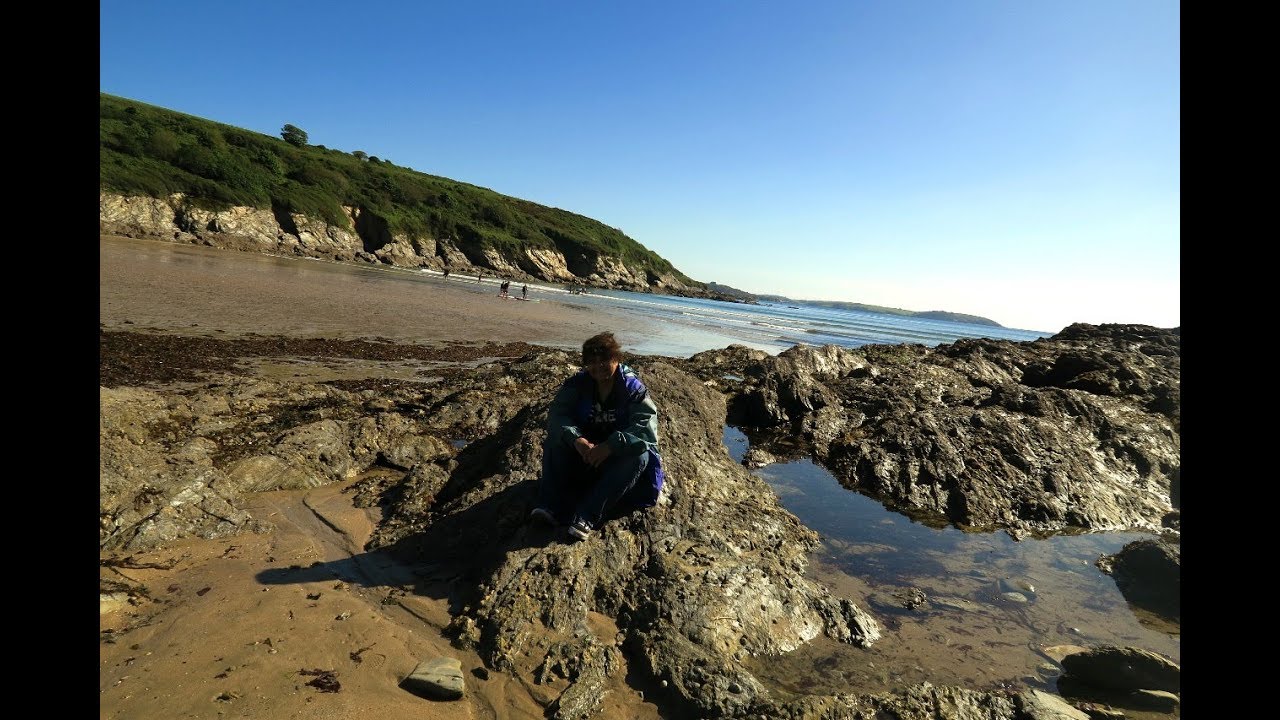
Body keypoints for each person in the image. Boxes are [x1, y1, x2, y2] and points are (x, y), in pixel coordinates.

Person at [532, 332, 664, 541]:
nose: (598, 366)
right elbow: (558, 416)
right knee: (555, 441)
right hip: (585, 454)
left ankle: (586, 516)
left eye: (604, 360)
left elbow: (645, 428)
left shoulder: (632, 388)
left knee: (640, 456)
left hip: (615, 460)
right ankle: (551, 506)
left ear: (616, 359)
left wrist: (611, 446)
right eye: (591, 362)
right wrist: (577, 440)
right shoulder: (578, 384)